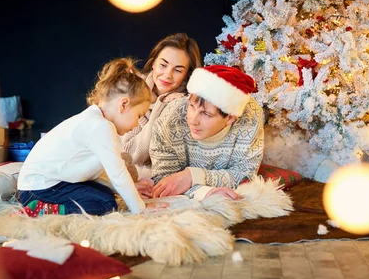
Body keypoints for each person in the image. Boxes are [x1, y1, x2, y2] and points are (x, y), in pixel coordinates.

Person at [17, 58, 166, 217]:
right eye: (139, 115)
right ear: (123, 104)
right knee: (105, 204)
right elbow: (118, 173)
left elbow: (101, 174)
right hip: (38, 189)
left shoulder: (95, 120)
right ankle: (41, 210)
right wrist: (140, 208)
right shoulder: (100, 126)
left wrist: (129, 190)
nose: (137, 123)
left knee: (106, 195)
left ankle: (47, 205)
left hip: (47, 184)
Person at [147, 65, 264, 201]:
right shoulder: (171, 121)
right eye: (191, 106)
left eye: (206, 114)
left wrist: (192, 176)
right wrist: (204, 192)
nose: (193, 120)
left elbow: (245, 176)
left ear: (230, 118)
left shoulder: (250, 117)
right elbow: (164, 181)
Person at [120, 33, 202, 168]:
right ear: (153, 63)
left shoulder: (184, 106)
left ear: (187, 75)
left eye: (177, 70)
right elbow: (128, 153)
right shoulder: (132, 87)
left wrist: (160, 106)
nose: (167, 75)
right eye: (163, 65)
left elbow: (135, 157)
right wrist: (152, 102)